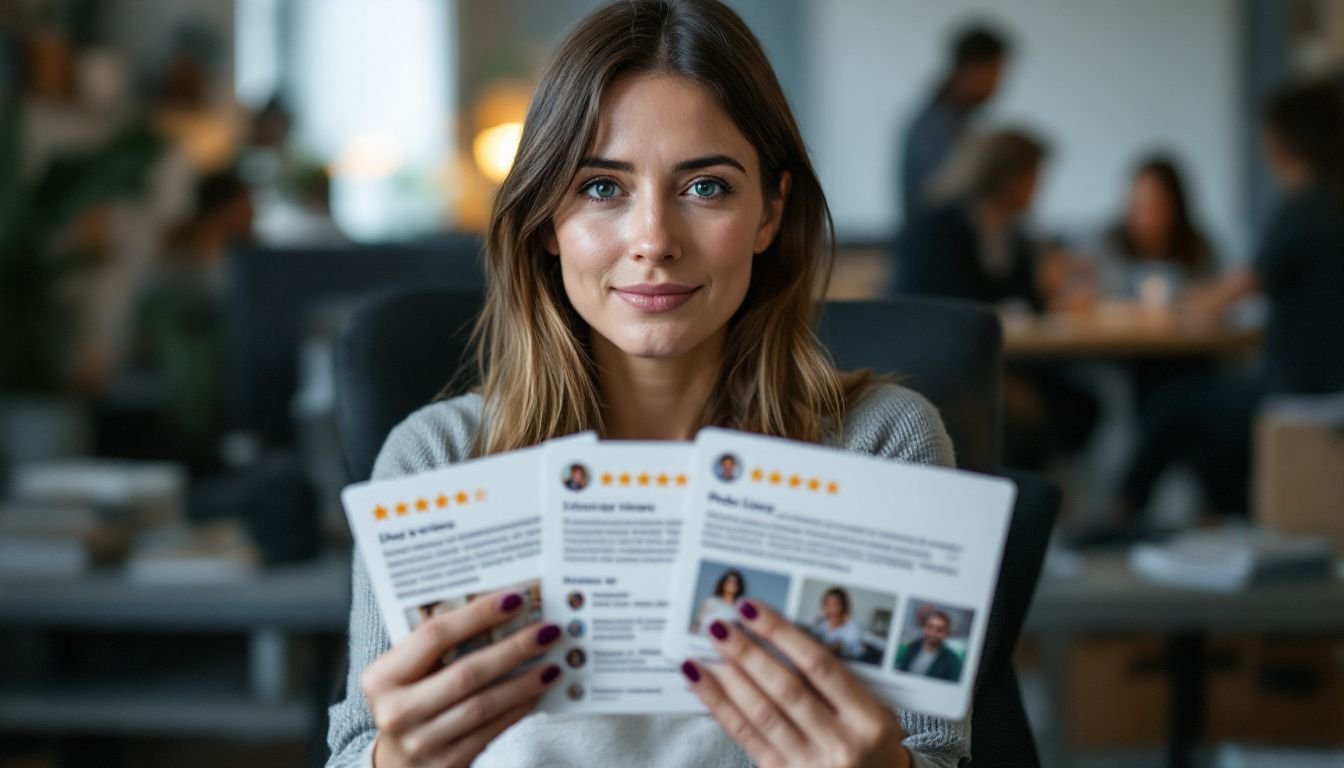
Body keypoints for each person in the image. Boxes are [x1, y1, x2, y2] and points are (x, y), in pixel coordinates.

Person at [327, 2, 964, 767]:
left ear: (770, 212)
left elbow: (936, 756)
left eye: (706, 188)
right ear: (544, 221)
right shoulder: (436, 460)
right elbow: (359, 749)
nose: (654, 241)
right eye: (602, 188)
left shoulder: (881, 445)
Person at [1116, 79, 1344, 520]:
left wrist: (1178, 302)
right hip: (1325, 382)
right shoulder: (1332, 204)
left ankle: (1121, 514)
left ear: (1282, 141)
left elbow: (1230, 293)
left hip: (1298, 390)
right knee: (1198, 410)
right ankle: (1226, 510)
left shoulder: (1302, 210)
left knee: (1169, 405)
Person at [894, 128, 1098, 470]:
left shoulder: (1010, 232)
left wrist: (1048, 292)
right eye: (1033, 177)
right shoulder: (935, 227)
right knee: (1027, 414)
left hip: (997, 356)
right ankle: (1015, 499)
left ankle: (1045, 496)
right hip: (936, 362)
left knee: (1082, 402)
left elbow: (1022, 296)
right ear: (1007, 176)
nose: (1038, 188)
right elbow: (948, 303)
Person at [899, 23, 1011, 218]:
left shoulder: (957, 122)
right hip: (935, 244)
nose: (998, 85)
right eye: (995, 73)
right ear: (971, 69)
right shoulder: (935, 126)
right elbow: (944, 196)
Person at [894, 611, 963, 683]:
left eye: (939, 630)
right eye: (930, 627)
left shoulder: (952, 660)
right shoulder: (909, 648)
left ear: (946, 633)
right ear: (924, 628)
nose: (933, 633)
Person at [810, 587, 865, 659]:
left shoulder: (853, 627)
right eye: (827, 604)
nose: (830, 608)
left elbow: (836, 647)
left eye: (835, 604)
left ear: (843, 606)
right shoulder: (821, 622)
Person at [692, 569, 746, 635]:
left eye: (736, 582)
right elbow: (698, 623)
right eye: (730, 581)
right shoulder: (710, 602)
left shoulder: (741, 607)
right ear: (723, 584)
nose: (733, 584)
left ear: (739, 586)